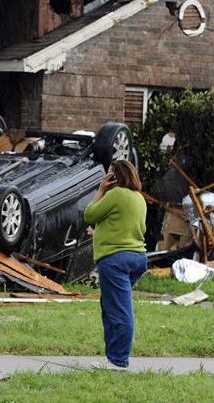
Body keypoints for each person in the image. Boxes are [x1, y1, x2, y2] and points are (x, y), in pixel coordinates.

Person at [83, 159, 147, 370]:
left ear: (114, 176)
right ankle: (112, 357)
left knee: (118, 310)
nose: (106, 177)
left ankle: (118, 360)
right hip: (137, 257)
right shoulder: (139, 198)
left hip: (115, 259)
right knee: (112, 307)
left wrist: (101, 190)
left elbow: (89, 214)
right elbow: (128, 227)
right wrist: (100, 232)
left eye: (109, 173)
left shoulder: (116, 194)